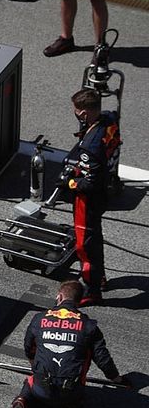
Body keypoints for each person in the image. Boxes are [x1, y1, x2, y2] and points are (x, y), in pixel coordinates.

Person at [11, 280, 129, 408]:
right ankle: (70, 407)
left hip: (40, 388)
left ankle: (23, 399)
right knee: (84, 352)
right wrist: (118, 380)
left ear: (59, 297)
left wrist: (35, 367)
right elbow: (103, 359)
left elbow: (29, 349)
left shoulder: (39, 319)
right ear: (79, 301)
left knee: (32, 380)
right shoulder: (89, 326)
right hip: (70, 392)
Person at [60, 88, 120, 305]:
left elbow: (89, 182)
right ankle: (99, 276)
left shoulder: (90, 146)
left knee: (85, 244)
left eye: (77, 110)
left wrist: (69, 182)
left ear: (84, 113)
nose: (75, 113)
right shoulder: (110, 120)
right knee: (95, 238)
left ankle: (91, 288)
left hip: (89, 199)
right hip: (107, 186)